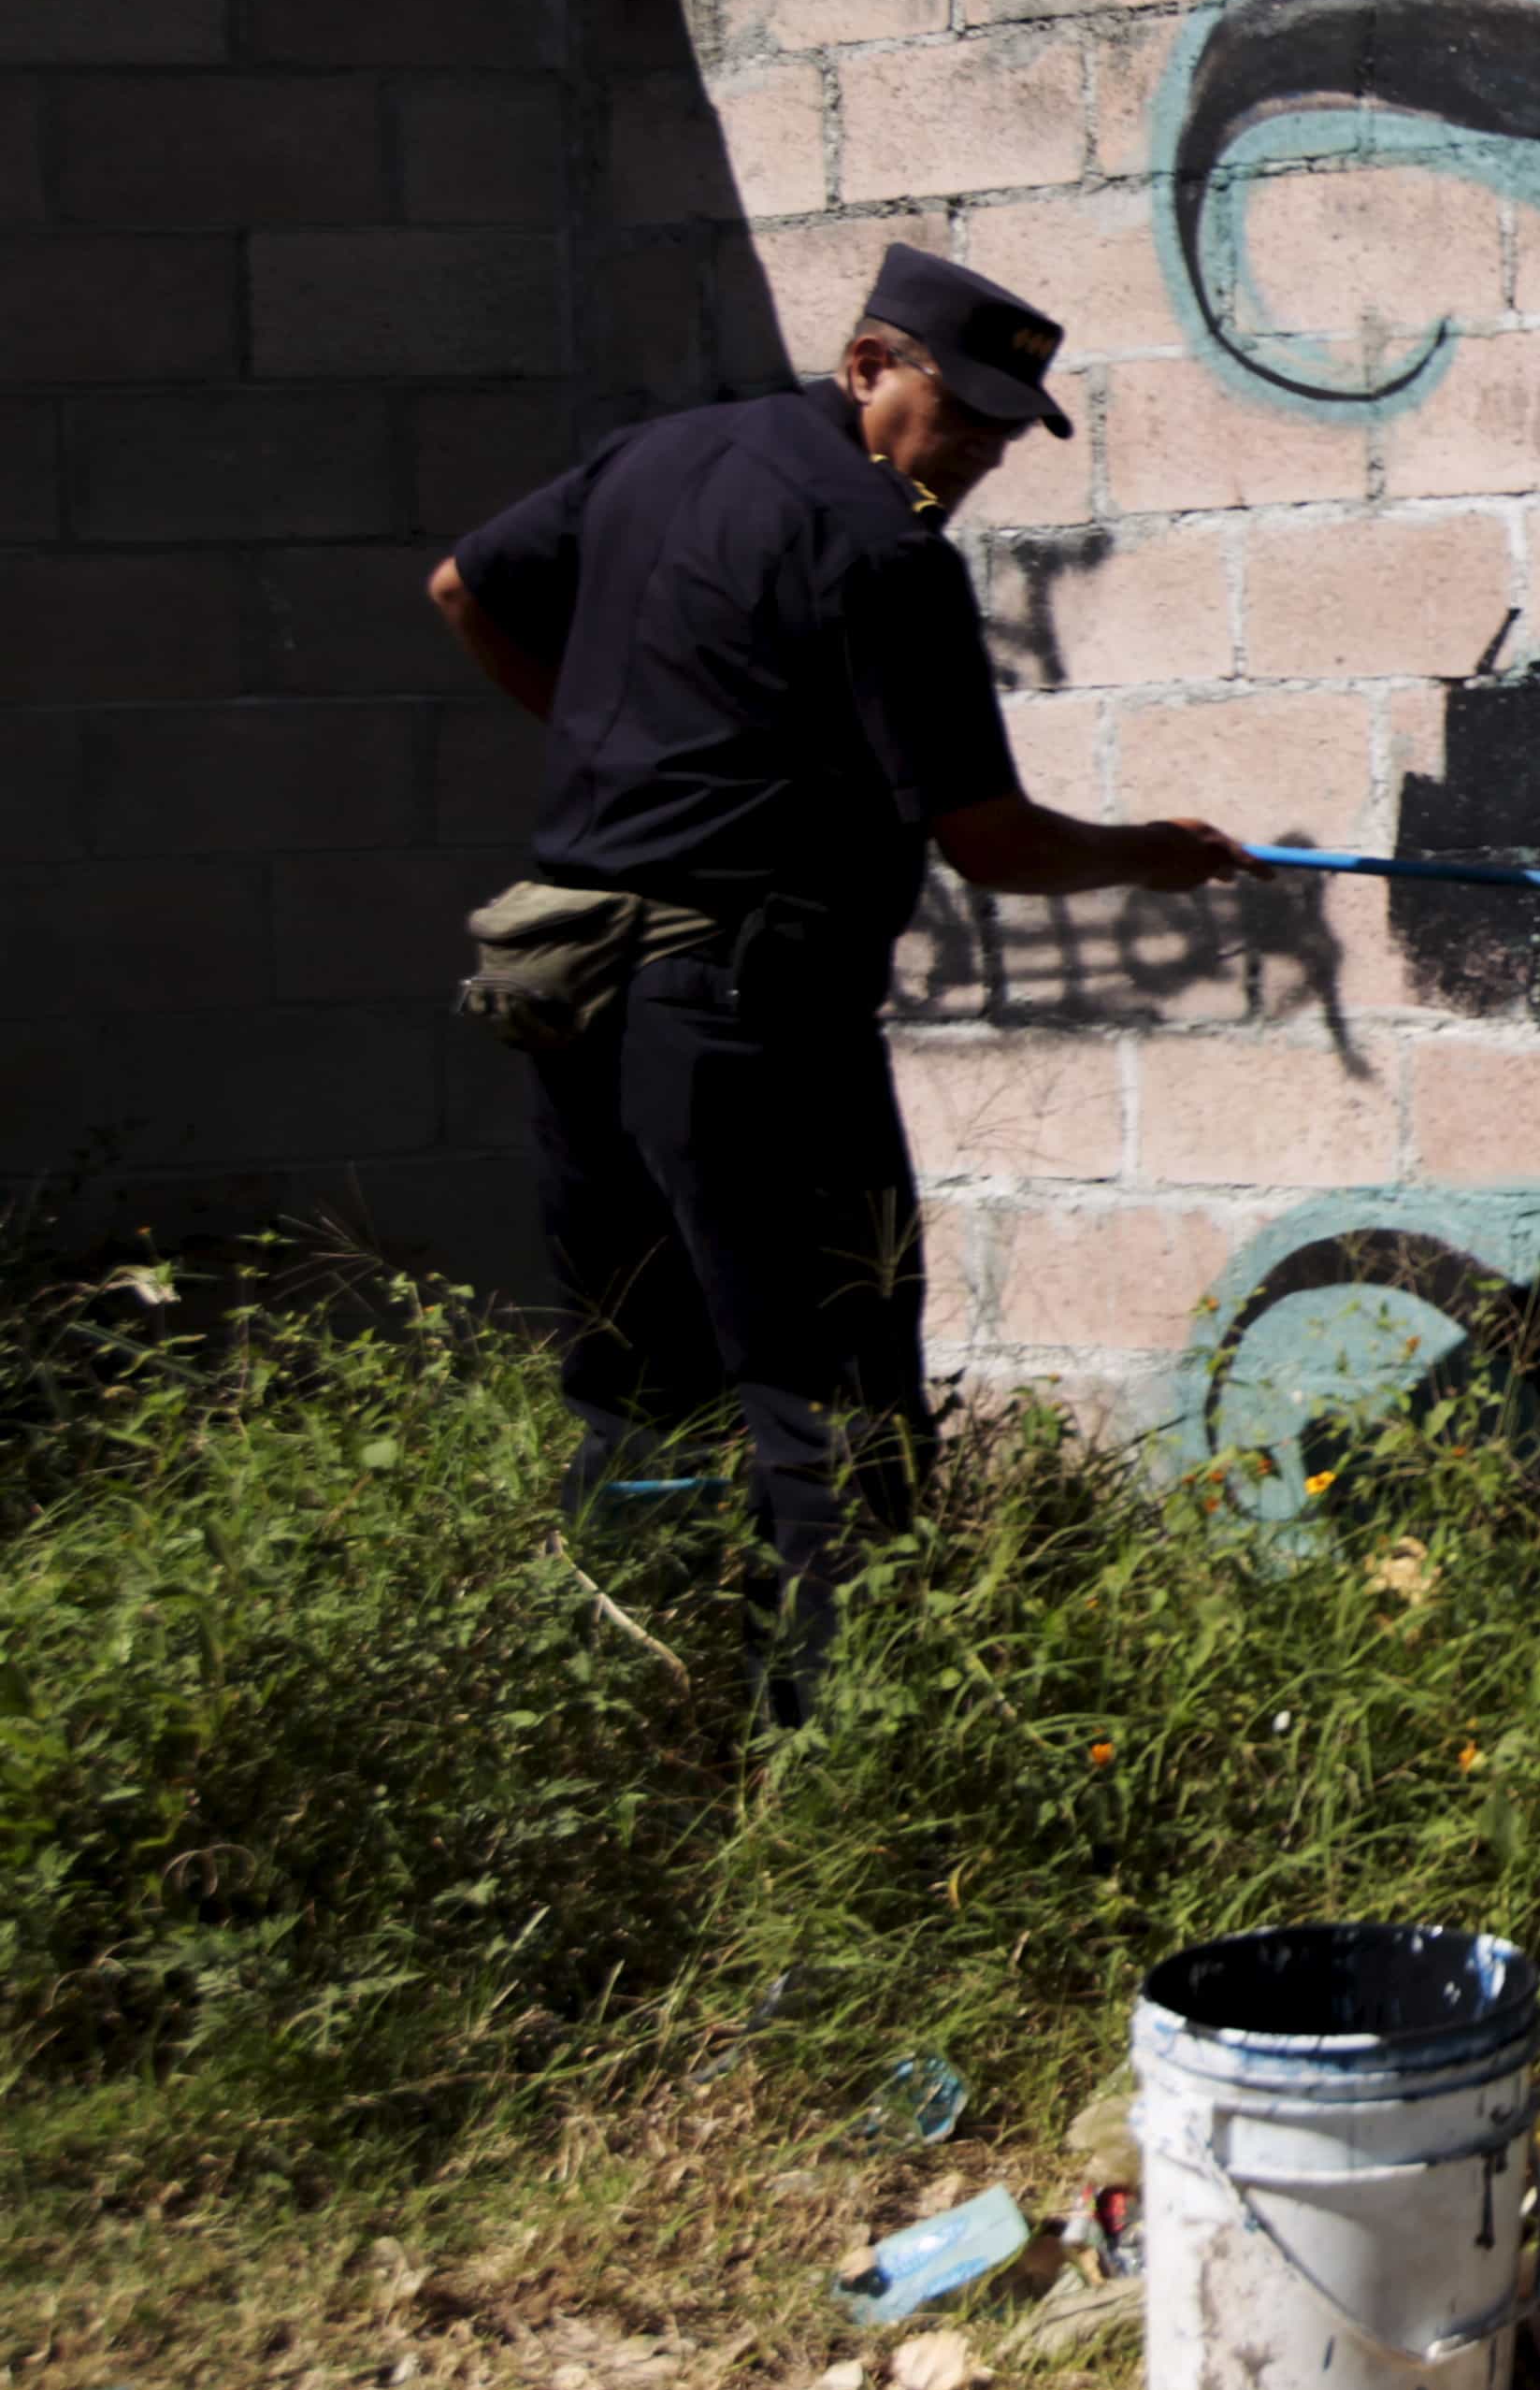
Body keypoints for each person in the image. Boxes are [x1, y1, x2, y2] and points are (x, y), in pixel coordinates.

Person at [428, 244, 1255, 1718]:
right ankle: (843, 1756)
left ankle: (627, 1715)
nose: (986, 451)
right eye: (968, 413)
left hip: (577, 989)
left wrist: (609, 744)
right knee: (833, 1390)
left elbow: (459, 585)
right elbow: (989, 844)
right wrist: (1152, 852)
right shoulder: (883, 547)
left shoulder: (659, 454)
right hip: (748, 1008)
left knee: (636, 1371)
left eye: (1011, 430)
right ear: (872, 364)